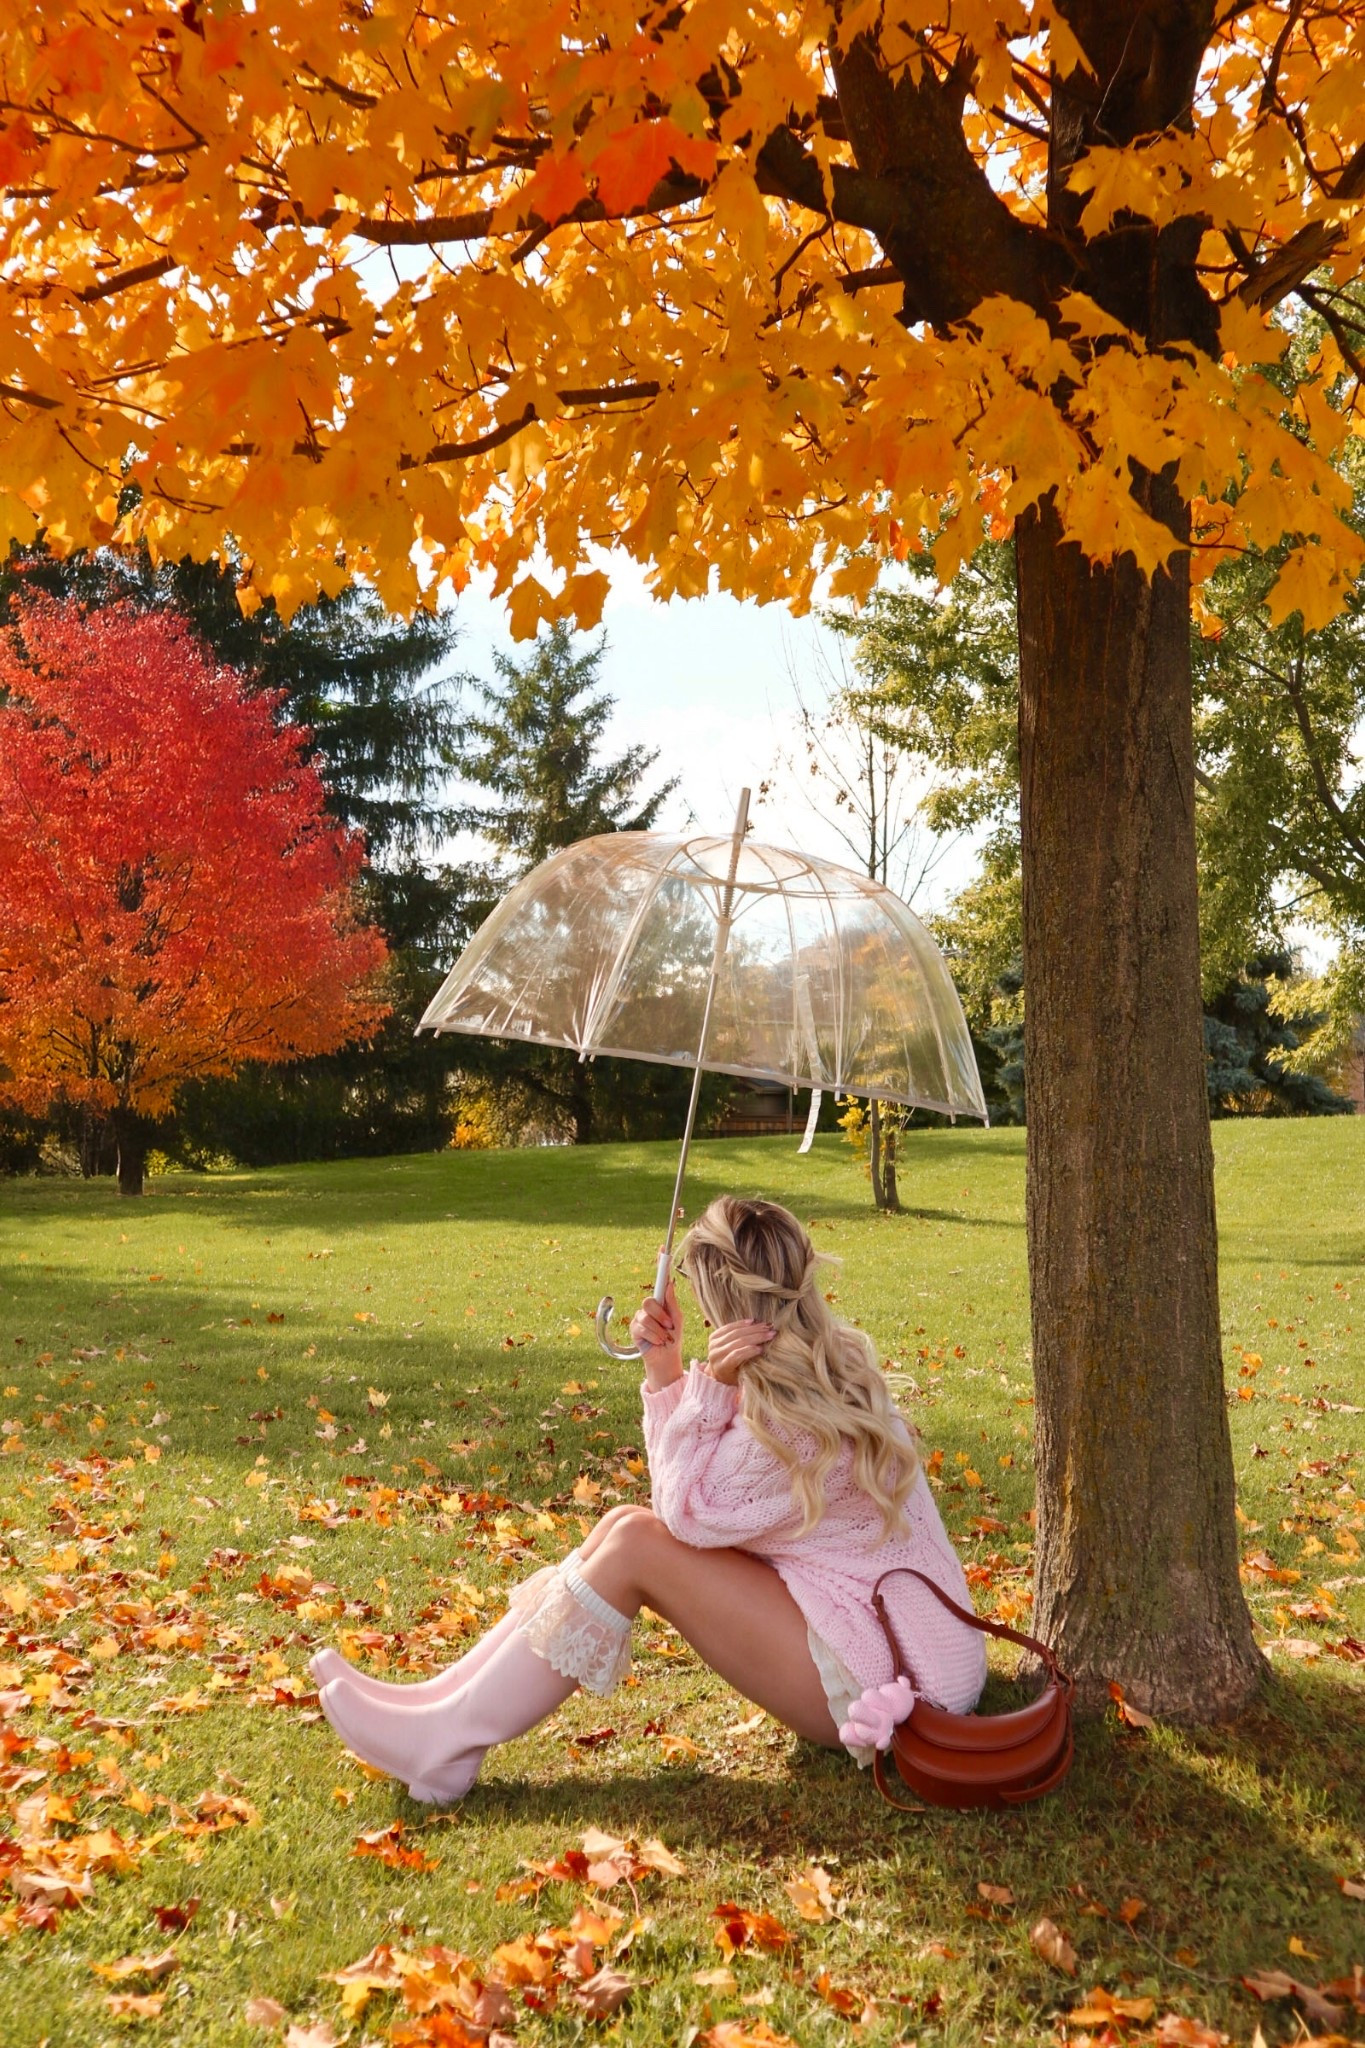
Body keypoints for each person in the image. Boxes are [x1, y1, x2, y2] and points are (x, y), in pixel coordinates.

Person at [312, 1194, 986, 1802]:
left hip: (878, 1685)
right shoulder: (817, 1361)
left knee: (635, 1542)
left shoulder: (785, 1413)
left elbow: (684, 1515)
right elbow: (691, 1496)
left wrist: (697, 1387)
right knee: (621, 1525)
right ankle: (435, 1706)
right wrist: (670, 1373)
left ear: (718, 1294)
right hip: (888, 1641)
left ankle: (446, 1743)